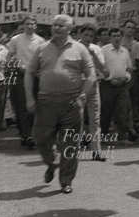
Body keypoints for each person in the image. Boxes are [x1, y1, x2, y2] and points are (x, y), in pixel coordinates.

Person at [25, 14, 95, 194]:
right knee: (41, 139)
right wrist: (30, 98)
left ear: (69, 29)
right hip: (45, 103)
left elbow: (91, 76)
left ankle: (66, 180)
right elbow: (29, 73)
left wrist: (82, 97)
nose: (56, 27)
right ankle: (51, 163)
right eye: (54, 24)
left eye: (61, 25)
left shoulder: (80, 49)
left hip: (71, 103)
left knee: (70, 144)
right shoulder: (42, 48)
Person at [6, 16, 45, 149]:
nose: (29, 26)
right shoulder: (15, 39)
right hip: (20, 75)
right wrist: (15, 64)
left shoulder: (41, 41)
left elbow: (43, 59)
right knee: (22, 105)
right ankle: (26, 135)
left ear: (36, 26)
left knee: (34, 105)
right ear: (23, 26)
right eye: (27, 24)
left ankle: (31, 134)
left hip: (35, 76)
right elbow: (9, 57)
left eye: (32, 24)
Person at [100, 27, 138, 146]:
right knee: (106, 112)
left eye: (118, 36)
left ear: (121, 37)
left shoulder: (124, 51)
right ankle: (102, 136)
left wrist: (126, 77)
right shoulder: (103, 50)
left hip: (122, 86)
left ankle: (122, 137)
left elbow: (129, 68)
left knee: (122, 112)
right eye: (114, 36)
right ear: (110, 38)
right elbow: (100, 68)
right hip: (107, 85)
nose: (116, 38)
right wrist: (110, 79)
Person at [79, 23, 108, 161]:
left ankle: (96, 151)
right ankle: (73, 150)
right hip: (78, 86)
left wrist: (93, 55)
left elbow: (104, 70)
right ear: (80, 34)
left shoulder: (96, 49)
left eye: (91, 36)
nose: (88, 38)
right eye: (86, 35)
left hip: (93, 86)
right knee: (76, 119)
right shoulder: (73, 47)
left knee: (95, 120)